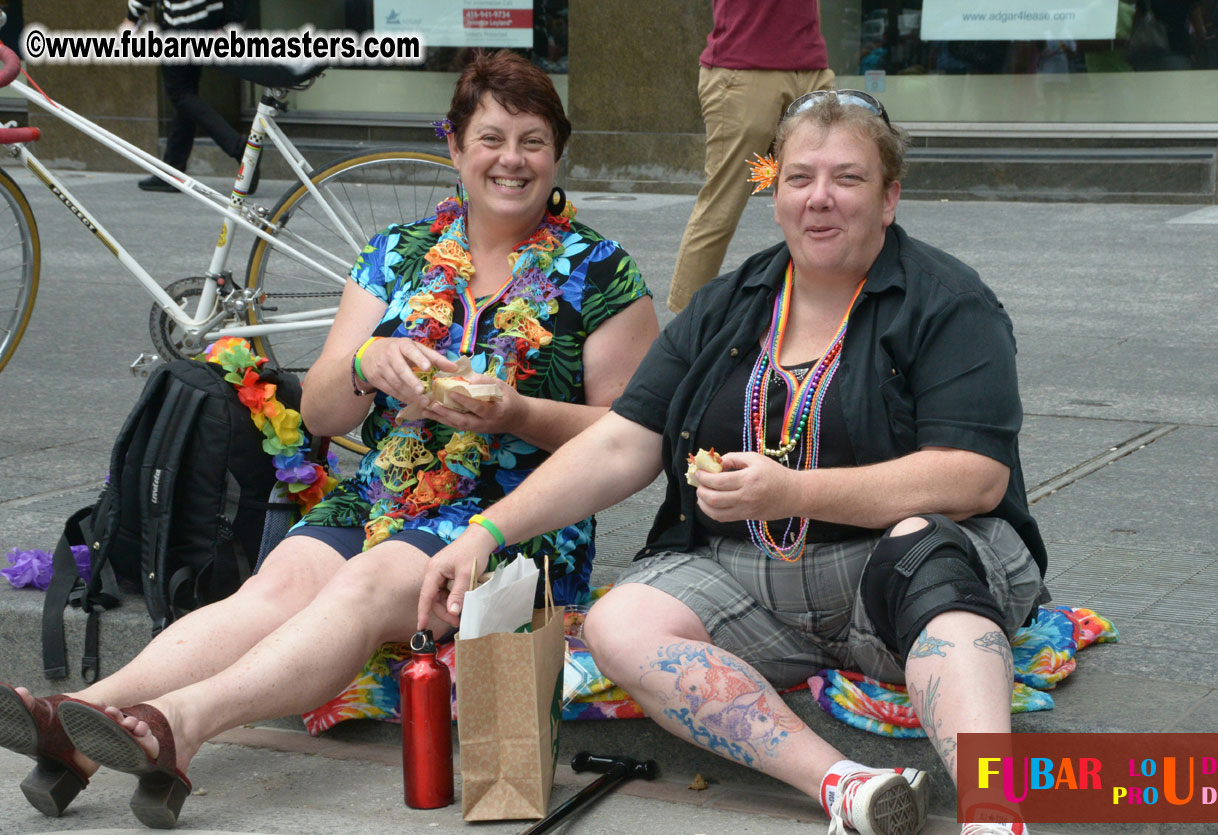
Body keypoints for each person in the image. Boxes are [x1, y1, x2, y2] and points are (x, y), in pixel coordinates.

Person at [0, 50, 658, 827]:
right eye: (490, 138)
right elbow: (318, 415)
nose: (510, 160)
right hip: (385, 487)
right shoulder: (396, 255)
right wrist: (366, 361)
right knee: (275, 586)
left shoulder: (602, 273)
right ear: (453, 145)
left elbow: (629, 437)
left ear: (557, 152)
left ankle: (179, 724)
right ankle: (73, 716)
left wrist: (517, 413)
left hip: (514, 517)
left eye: (532, 141)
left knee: (362, 582)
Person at [419, 91, 1046, 835]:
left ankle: (994, 816)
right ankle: (845, 786)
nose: (819, 199)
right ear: (772, 191)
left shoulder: (947, 302)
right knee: (622, 620)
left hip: (903, 570)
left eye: (846, 179)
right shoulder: (728, 303)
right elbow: (622, 441)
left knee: (924, 545)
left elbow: (974, 476)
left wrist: (792, 490)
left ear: (888, 198)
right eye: (797, 177)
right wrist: (482, 534)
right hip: (754, 577)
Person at [666, 0, 835, 312]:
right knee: (723, 203)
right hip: (743, 70)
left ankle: (829, 308)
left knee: (830, 194)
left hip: (810, 66)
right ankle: (685, 327)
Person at [123, 0, 256, 193]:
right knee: (186, 96)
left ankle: (238, 147)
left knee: (180, 94)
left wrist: (131, 16)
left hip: (182, 22)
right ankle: (173, 170)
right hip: (208, 19)